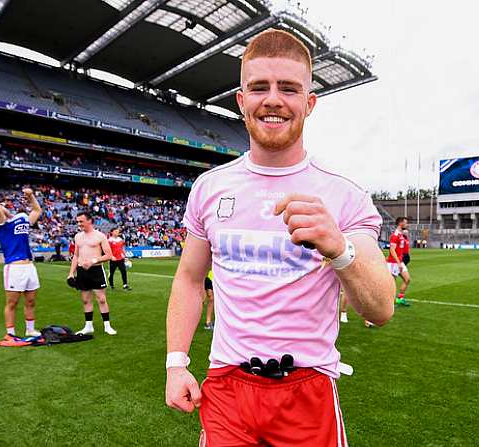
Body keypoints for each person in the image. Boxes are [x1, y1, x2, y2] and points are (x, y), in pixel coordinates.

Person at [164, 29, 394, 446]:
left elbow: (380, 309)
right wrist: (176, 363)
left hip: (308, 390)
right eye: (259, 87)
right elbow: (189, 279)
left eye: (288, 88)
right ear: (241, 101)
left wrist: (339, 249)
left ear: (309, 103)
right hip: (227, 386)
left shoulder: (344, 194)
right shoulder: (209, 187)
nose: (272, 99)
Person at [0, 188, 42, 337]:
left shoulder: (24, 221)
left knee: (31, 301)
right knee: (12, 303)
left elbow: (37, 210)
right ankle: (10, 334)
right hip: (14, 267)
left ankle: (30, 329)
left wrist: (30, 196)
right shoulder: (3, 225)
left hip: (29, 266)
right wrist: (10, 214)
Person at [68, 212, 116, 335]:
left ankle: (107, 326)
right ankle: (88, 326)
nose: (79, 224)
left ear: (89, 221)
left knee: (101, 299)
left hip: (96, 270)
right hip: (82, 271)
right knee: (85, 300)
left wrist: (93, 261)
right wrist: (71, 273)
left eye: (81, 221)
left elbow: (109, 255)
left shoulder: (100, 236)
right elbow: (76, 256)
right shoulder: (78, 236)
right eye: (78, 221)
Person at [387, 217, 411, 306]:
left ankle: (400, 299)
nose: (407, 224)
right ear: (400, 223)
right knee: (392, 285)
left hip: (399, 262)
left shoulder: (401, 235)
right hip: (394, 263)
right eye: (406, 223)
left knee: (407, 279)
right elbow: (392, 250)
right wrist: (398, 262)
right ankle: (389, 303)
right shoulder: (395, 235)